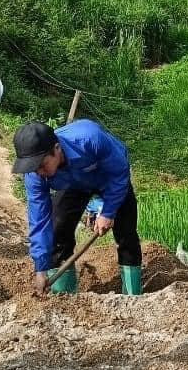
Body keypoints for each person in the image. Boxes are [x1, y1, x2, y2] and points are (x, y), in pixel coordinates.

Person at [14, 119, 143, 296]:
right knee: (57, 230)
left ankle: (133, 296)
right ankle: (65, 298)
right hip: (73, 185)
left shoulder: (90, 139)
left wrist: (108, 212)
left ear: (57, 149)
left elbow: (119, 172)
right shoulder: (35, 175)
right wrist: (40, 269)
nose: (39, 172)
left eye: (42, 165)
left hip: (109, 179)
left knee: (126, 232)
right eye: (34, 169)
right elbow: (39, 222)